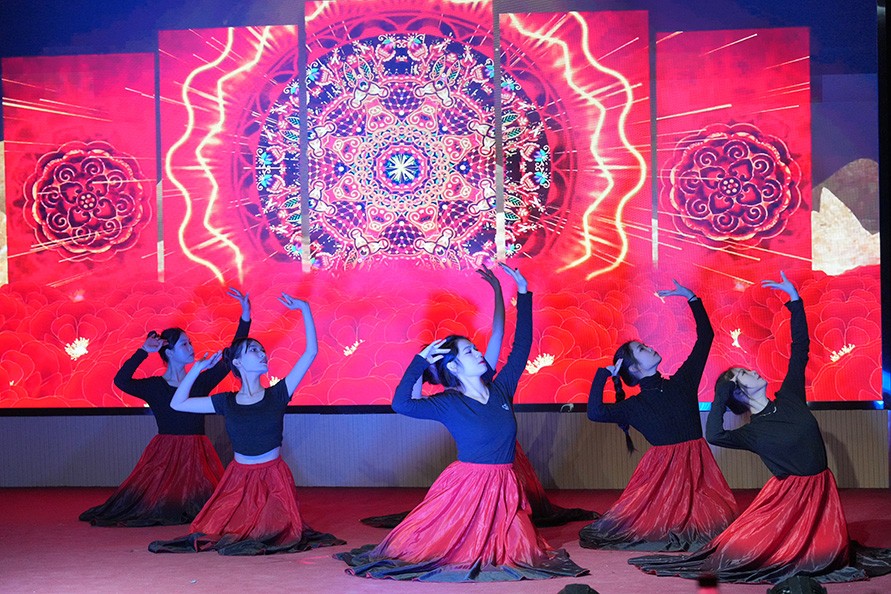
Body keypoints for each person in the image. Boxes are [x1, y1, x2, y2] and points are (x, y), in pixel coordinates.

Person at [629, 272, 891, 583]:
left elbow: (800, 347)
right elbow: (714, 435)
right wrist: (721, 392)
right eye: (743, 374)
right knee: (768, 557)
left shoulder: (790, 396)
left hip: (821, 494)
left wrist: (795, 300)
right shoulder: (752, 432)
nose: (752, 371)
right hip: (791, 501)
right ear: (739, 393)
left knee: (826, 554)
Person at [336, 264, 587, 581]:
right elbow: (401, 404)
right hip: (467, 486)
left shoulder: (501, 389)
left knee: (521, 551)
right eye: (469, 352)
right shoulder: (448, 403)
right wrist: (420, 361)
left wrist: (523, 294)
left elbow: (521, 347)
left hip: (505, 484)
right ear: (454, 366)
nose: (478, 353)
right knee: (447, 549)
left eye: (475, 349)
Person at [148, 293, 343, 555]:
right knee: (219, 533)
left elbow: (311, 352)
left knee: (273, 534)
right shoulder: (226, 401)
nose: (262, 354)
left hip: (273, 479)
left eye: (262, 351)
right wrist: (196, 369)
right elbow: (178, 403)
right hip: (238, 479)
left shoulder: (278, 394)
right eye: (254, 350)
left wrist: (305, 308)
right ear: (238, 362)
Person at [580, 280, 736, 551]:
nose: (650, 347)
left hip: (698, 465)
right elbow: (595, 413)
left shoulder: (682, 381)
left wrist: (692, 298)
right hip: (663, 473)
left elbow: (706, 338)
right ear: (634, 368)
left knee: (718, 523)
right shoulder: (634, 405)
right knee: (656, 526)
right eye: (642, 350)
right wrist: (603, 374)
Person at [79, 288, 251, 527]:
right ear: (169, 352)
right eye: (184, 344)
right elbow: (121, 381)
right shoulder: (154, 386)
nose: (191, 347)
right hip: (165, 453)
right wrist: (143, 351)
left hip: (197, 452)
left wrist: (245, 317)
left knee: (212, 506)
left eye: (190, 343)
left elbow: (231, 356)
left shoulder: (200, 381)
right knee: (152, 504)